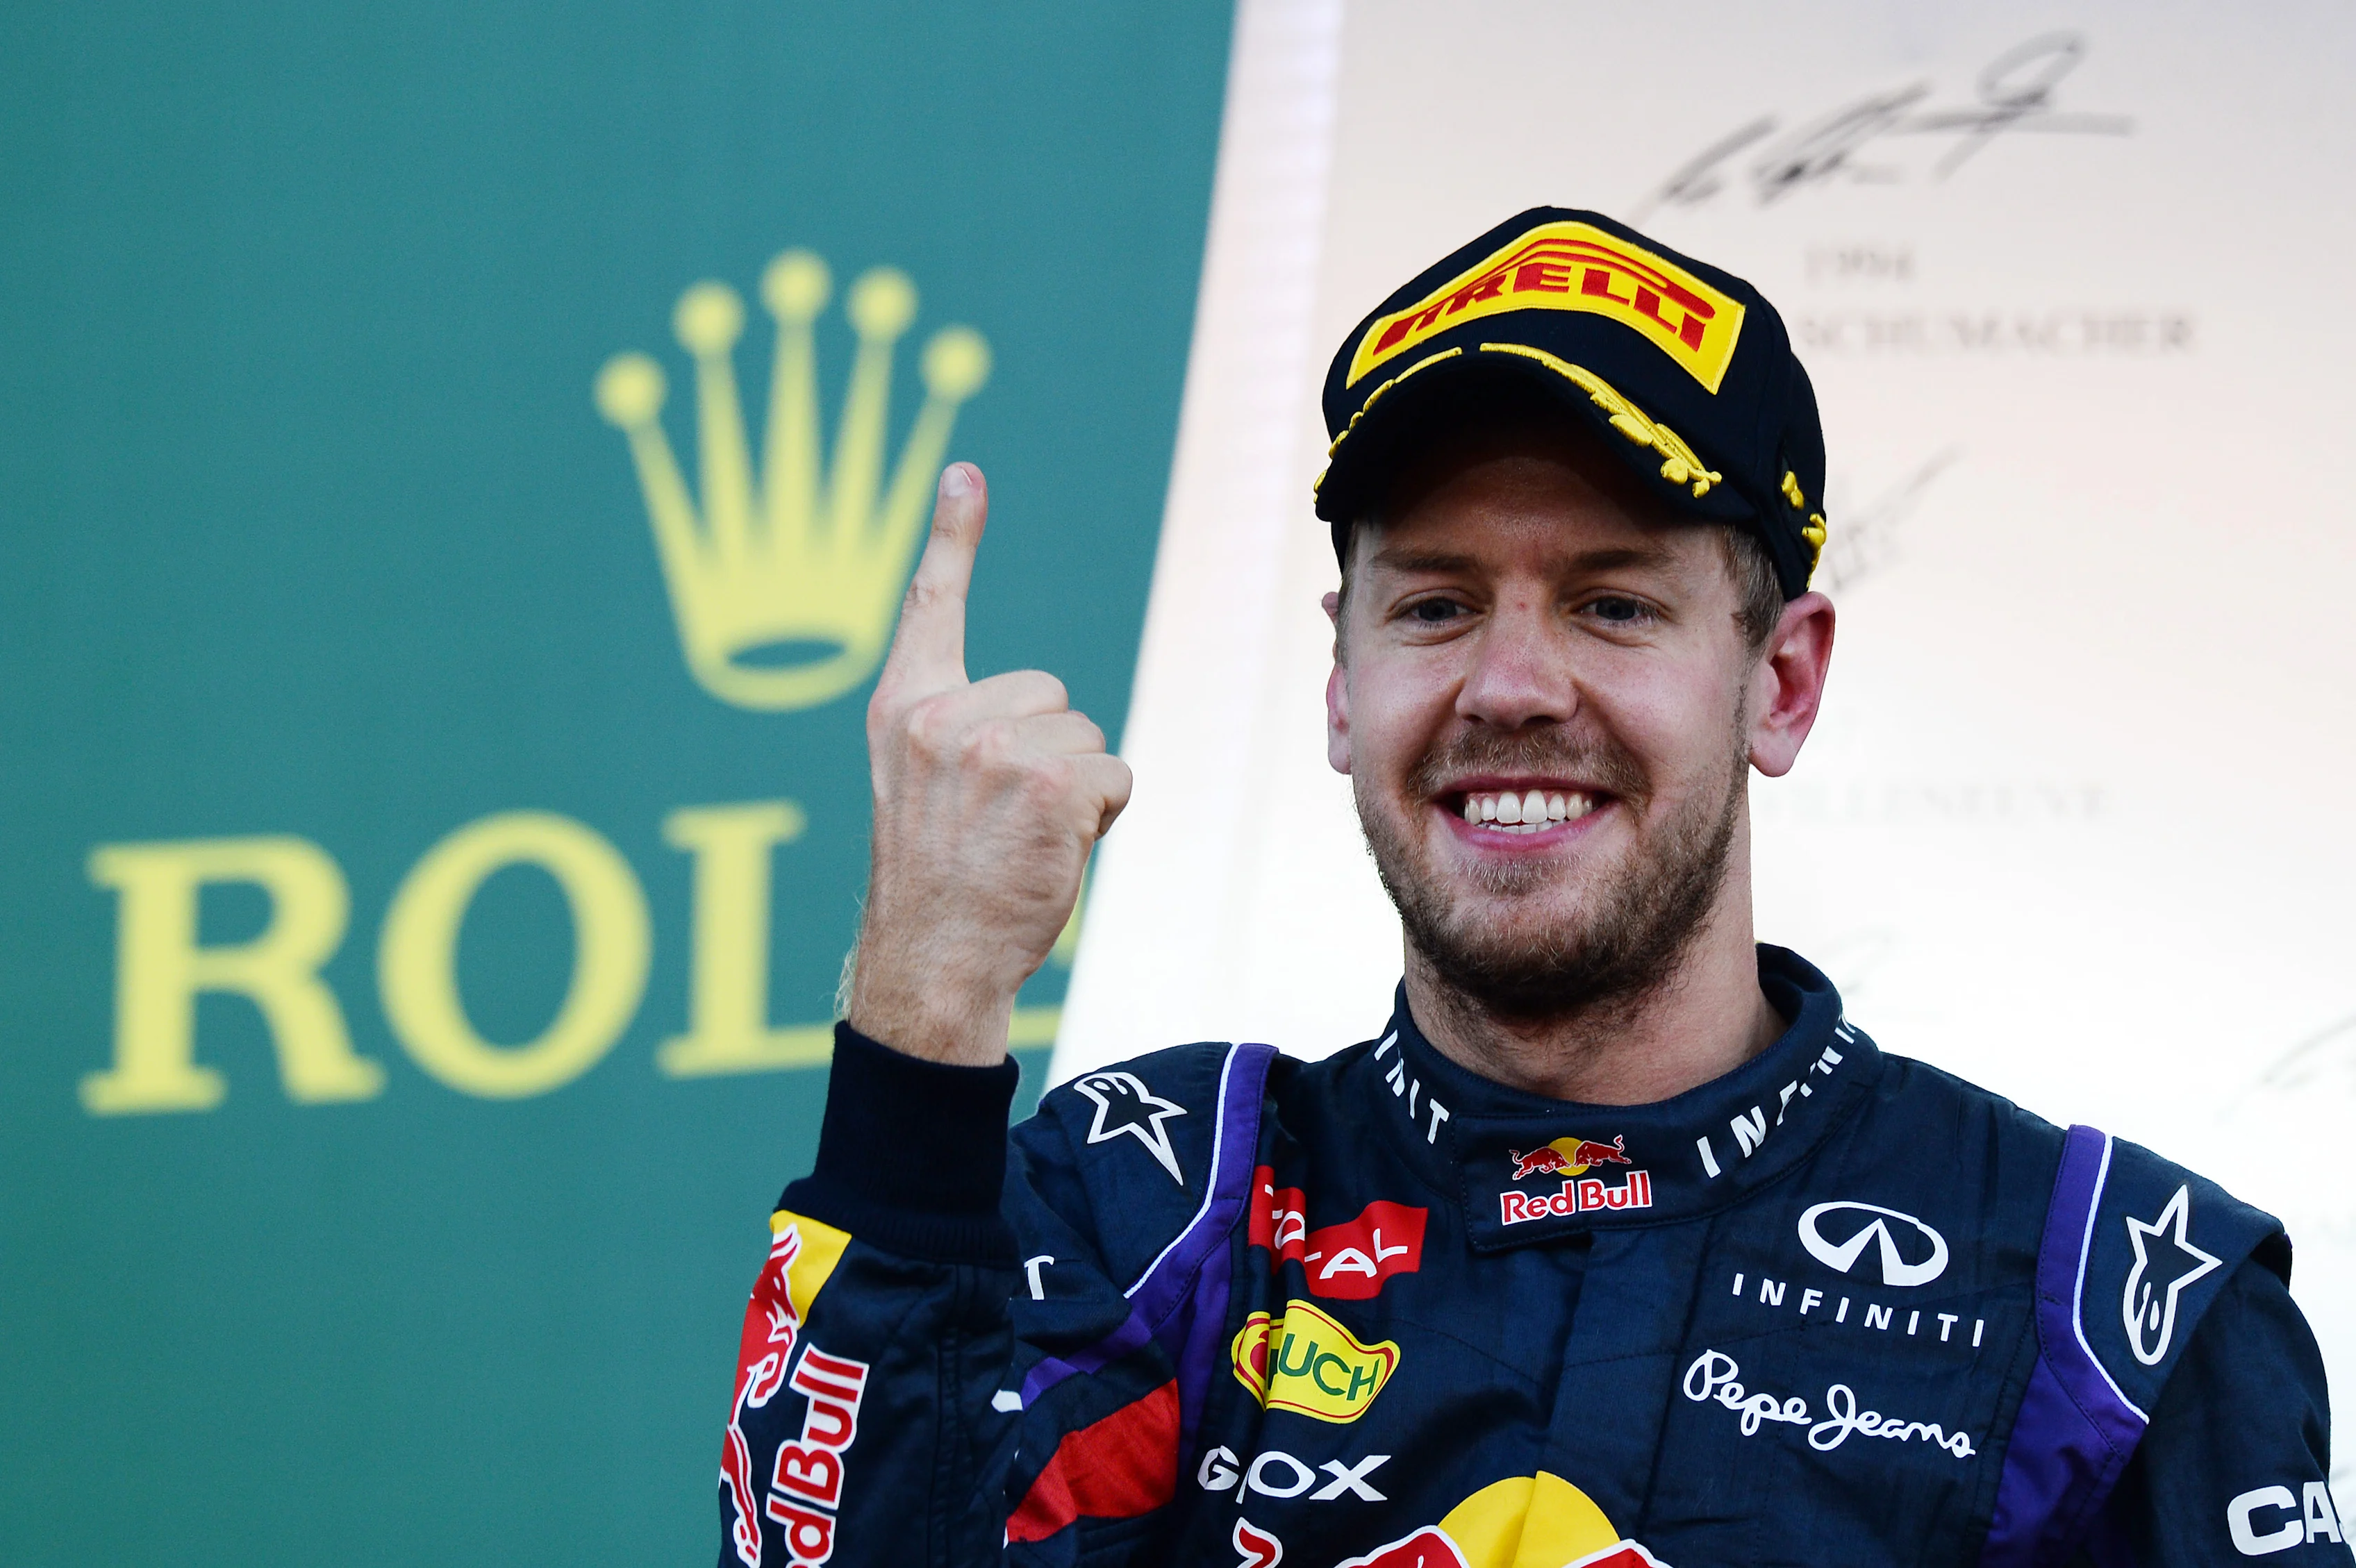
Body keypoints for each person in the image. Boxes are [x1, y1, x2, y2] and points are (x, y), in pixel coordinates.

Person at [714, 209, 2347, 1568]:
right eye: (1433, 605)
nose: (1508, 684)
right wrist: (925, 1012)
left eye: (1612, 604)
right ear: (1340, 683)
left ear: (1780, 682)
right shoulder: (1148, 1214)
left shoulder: (2113, 1315)